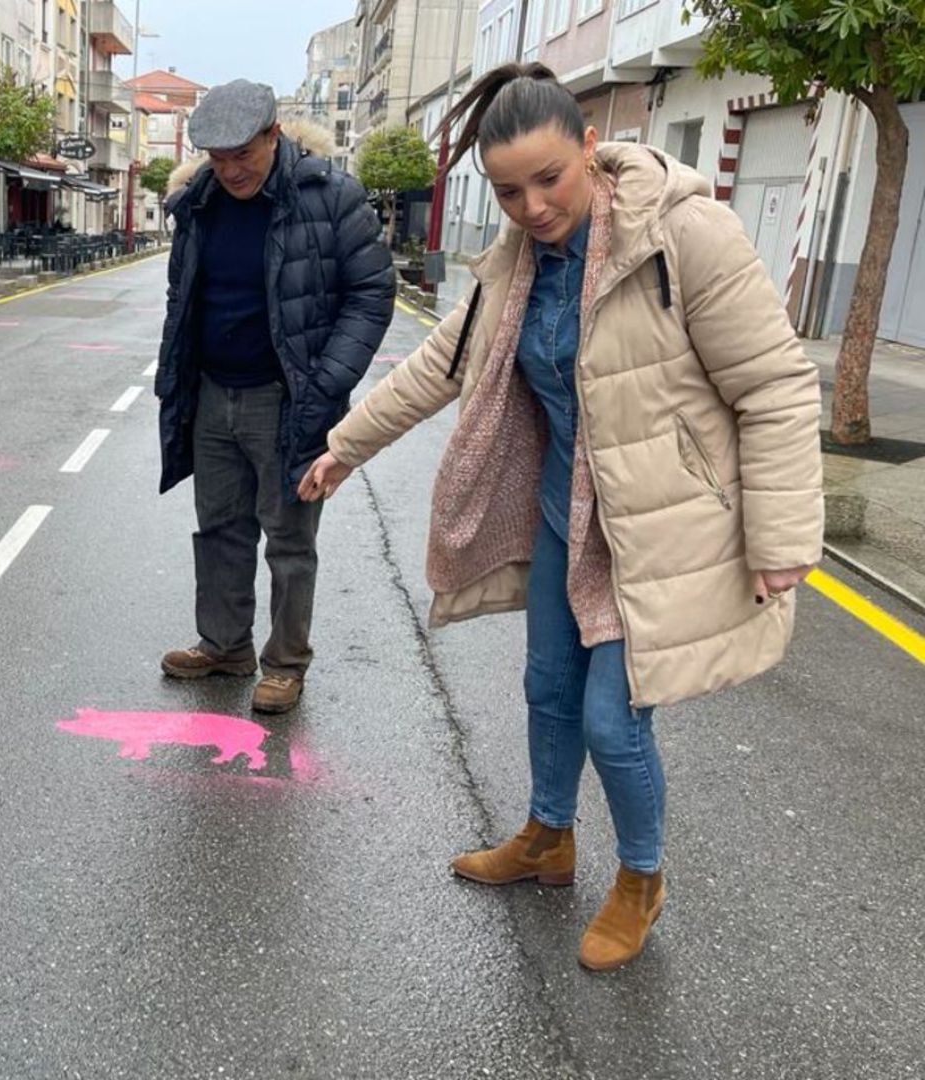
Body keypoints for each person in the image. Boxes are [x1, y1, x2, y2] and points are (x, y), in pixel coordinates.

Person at [299, 63, 824, 970]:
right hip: (563, 513)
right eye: (508, 191)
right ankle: (548, 837)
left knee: (615, 722)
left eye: (550, 179)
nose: (533, 206)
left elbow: (775, 387)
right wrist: (346, 446)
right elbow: (442, 364)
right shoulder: (518, 261)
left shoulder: (684, 234)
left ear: (590, 146)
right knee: (547, 689)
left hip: (659, 524)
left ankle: (641, 879)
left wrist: (781, 537)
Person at [154, 79, 393, 715]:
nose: (230, 169)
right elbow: (185, 299)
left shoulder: (330, 196)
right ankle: (225, 645)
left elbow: (372, 294)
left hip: (287, 400)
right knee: (220, 530)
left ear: (272, 135)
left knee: (289, 541)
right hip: (212, 395)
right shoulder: (198, 204)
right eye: (216, 156)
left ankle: (285, 664)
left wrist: (325, 384)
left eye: (242, 154)